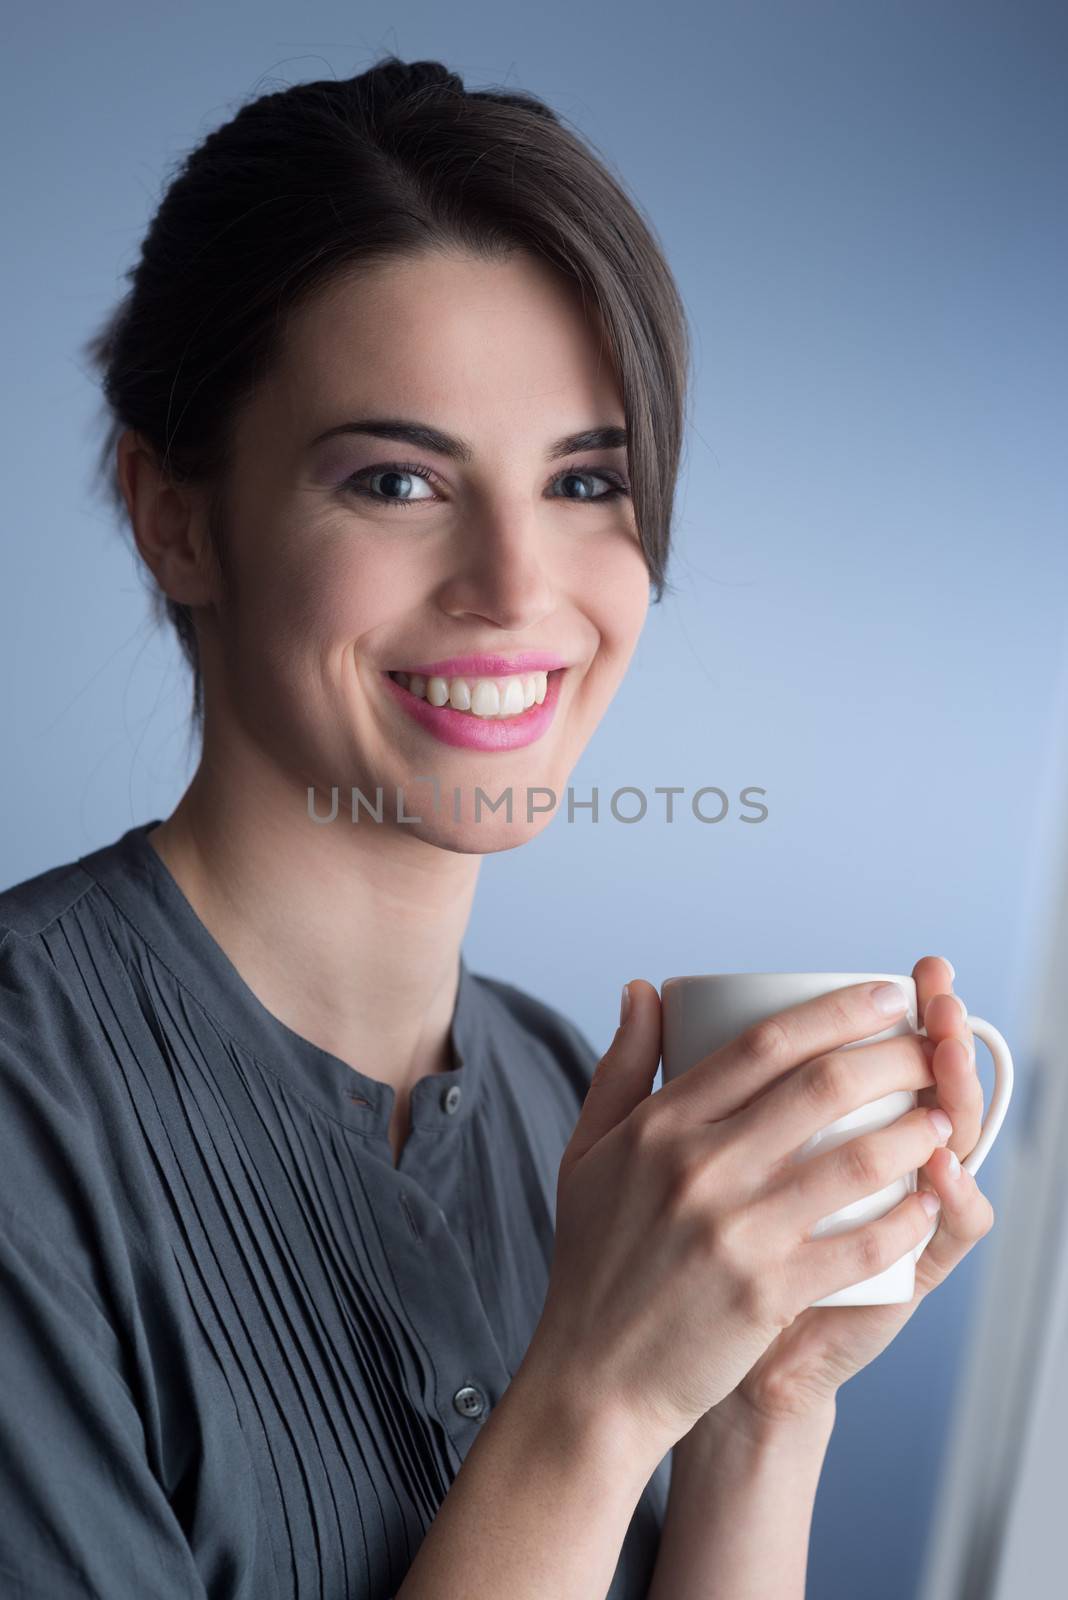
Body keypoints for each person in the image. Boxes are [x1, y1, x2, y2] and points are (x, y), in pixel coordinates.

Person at [0, 54, 995, 1600]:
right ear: (174, 515)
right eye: (398, 479)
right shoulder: (26, 1105)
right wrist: (594, 1406)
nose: (520, 589)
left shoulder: (566, 1100)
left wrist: (763, 1409)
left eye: (588, 481)